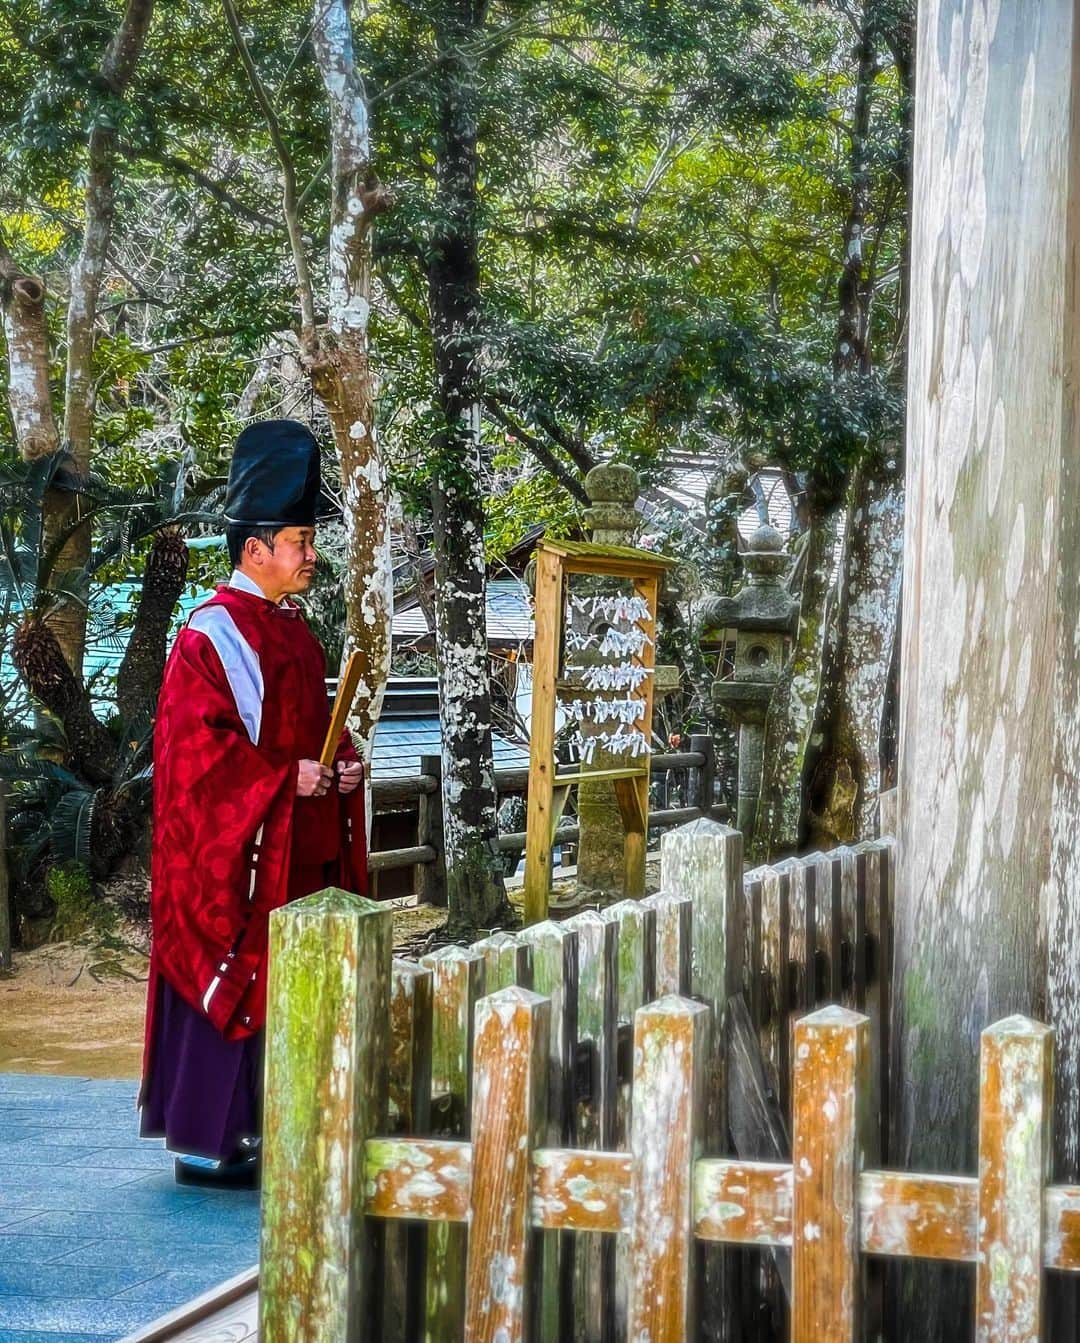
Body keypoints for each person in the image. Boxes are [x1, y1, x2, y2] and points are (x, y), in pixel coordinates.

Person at [139, 419, 367, 1187]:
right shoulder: (207, 637)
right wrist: (278, 783)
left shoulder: (296, 635)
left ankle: (275, 1123)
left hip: (290, 850)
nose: (311, 554)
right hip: (236, 858)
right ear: (254, 549)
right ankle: (210, 1139)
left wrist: (339, 770)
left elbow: (313, 737)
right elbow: (195, 763)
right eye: (300, 539)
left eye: (308, 538)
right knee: (236, 971)